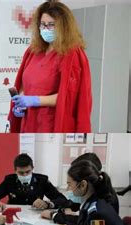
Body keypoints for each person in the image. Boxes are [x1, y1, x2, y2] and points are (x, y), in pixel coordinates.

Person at [8, 0, 92, 133]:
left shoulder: (71, 54)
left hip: (51, 124)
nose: (46, 28)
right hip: (29, 121)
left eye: (51, 25)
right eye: (43, 24)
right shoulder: (33, 50)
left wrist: (34, 100)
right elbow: (24, 83)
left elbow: (69, 97)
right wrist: (20, 101)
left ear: (63, 27)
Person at [44, 161, 130, 225]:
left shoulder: (99, 214)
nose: (67, 189)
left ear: (83, 185)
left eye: (69, 184)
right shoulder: (91, 203)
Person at [41, 152, 120, 225]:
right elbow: (70, 204)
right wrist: (61, 209)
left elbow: (84, 222)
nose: (68, 189)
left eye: (70, 184)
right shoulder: (92, 192)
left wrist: (54, 215)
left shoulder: (104, 199)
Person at [0, 153, 68, 208]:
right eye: (21, 173)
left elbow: (62, 199)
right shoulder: (10, 180)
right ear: (15, 171)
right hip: (15, 216)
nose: (25, 175)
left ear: (32, 169)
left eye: (28, 172)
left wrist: (47, 204)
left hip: (36, 217)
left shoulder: (42, 180)